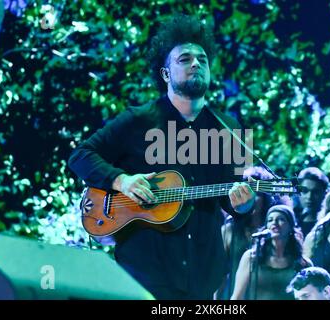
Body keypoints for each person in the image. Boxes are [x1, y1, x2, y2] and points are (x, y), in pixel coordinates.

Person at [68, 14, 256, 300]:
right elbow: (80, 156)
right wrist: (121, 181)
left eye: (202, 59)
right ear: (166, 74)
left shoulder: (231, 130)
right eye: (185, 59)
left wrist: (244, 205)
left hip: (203, 276)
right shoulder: (138, 120)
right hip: (144, 273)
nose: (196, 64)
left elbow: (232, 203)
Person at [218, 166, 286, 299]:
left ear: (266, 197)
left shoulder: (276, 229)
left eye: (255, 193)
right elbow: (220, 273)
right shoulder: (230, 229)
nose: (249, 198)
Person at [230, 205, 311, 300]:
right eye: (270, 220)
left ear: (290, 227)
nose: (274, 223)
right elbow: (237, 296)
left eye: (281, 219)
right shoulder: (251, 257)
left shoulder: (302, 263)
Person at [293, 167, 330, 238]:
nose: (309, 197)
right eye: (305, 191)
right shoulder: (290, 222)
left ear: (324, 194)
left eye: (315, 192)